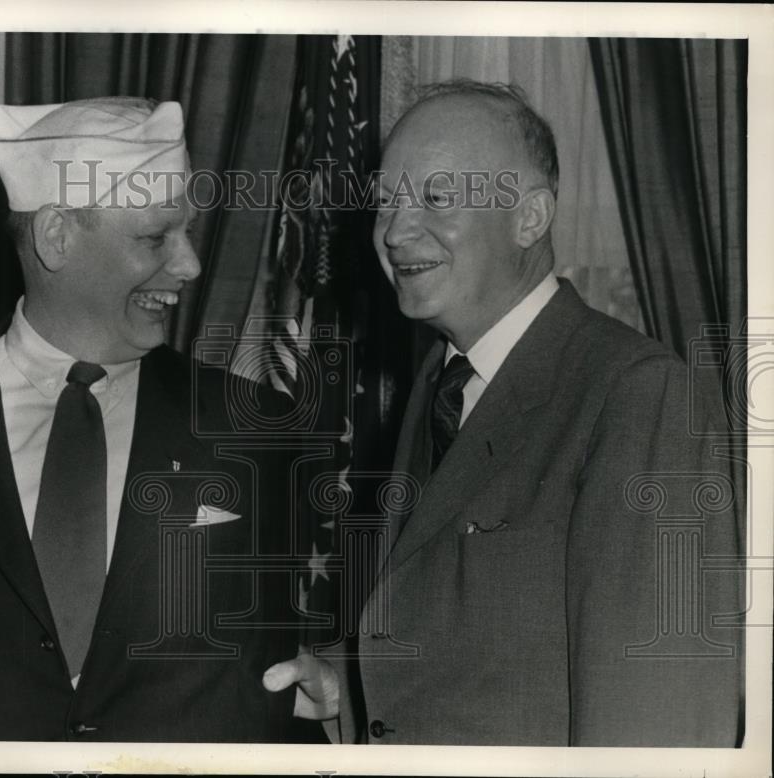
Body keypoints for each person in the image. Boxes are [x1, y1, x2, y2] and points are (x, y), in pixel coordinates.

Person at [264, 79, 743, 746]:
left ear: (529, 218)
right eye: (385, 203)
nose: (396, 233)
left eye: (435, 198)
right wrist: (347, 685)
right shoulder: (444, 379)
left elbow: (655, 722)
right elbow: (491, 645)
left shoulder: (639, 395)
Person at [0, 97, 317, 742]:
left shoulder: (258, 428)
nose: (189, 265)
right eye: (155, 237)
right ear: (56, 235)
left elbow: (292, 673)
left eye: (188, 232)